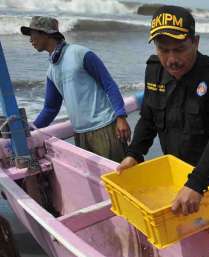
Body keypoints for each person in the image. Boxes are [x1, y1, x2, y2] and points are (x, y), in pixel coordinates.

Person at [117, 5, 209, 216]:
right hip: (179, 175)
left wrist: (197, 184)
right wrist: (134, 153)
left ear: (196, 42)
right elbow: (149, 117)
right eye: (163, 50)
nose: (171, 60)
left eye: (179, 49)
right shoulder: (155, 69)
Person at [21, 16, 131, 162]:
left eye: (33, 34)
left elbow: (108, 84)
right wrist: (29, 130)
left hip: (105, 127)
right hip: (80, 134)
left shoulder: (80, 53)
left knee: (118, 177)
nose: (30, 40)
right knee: (95, 182)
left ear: (46, 33)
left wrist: (121, 117)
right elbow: (50, 109)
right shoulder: (51, 71)